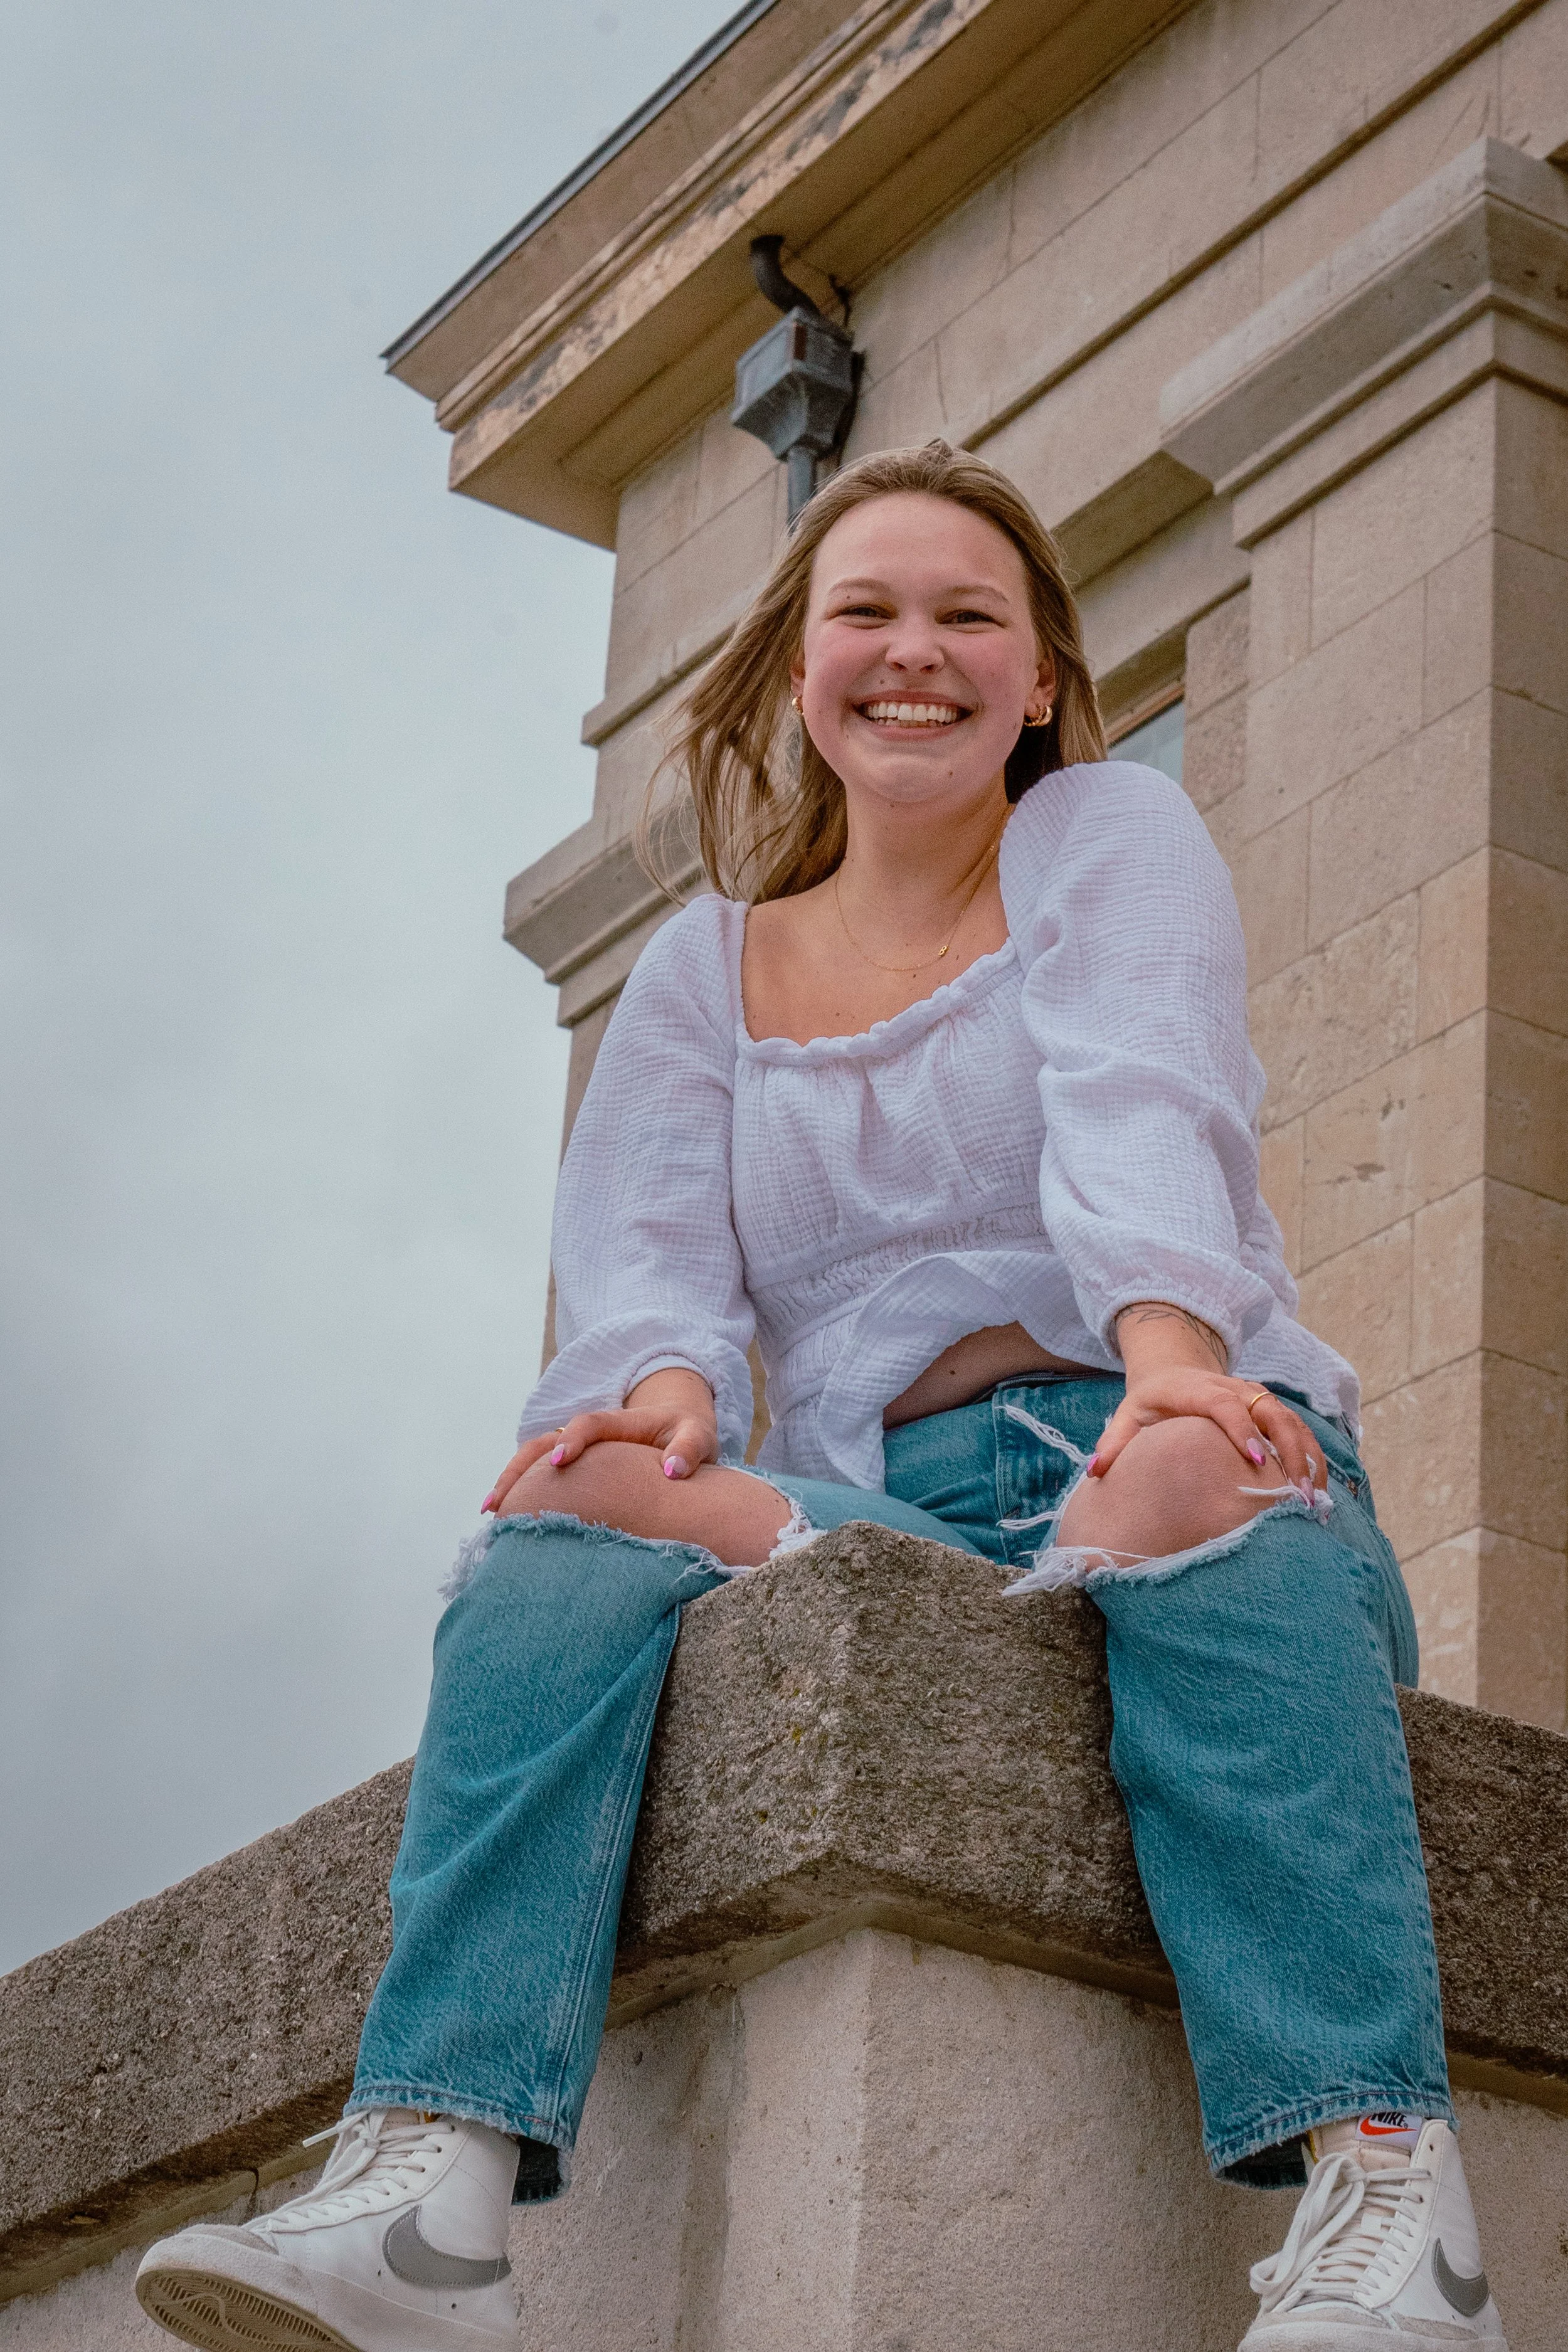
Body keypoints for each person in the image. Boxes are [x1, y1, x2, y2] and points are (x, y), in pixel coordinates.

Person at [135, 441, 1505, 2352]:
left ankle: (1389, 2201)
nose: (912, 652)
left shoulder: (1104, 835)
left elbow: (1145, 1092)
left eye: (968, 616)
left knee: (1170, 1487)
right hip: (898, 1513)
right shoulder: (703, 970)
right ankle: (428, 2184)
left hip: (1171, 1444)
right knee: (563, 1504)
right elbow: (648, 1272)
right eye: (865, 612)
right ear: (802, 669)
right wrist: (665, 1405)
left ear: (1037, 679)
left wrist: (1180, 1361)